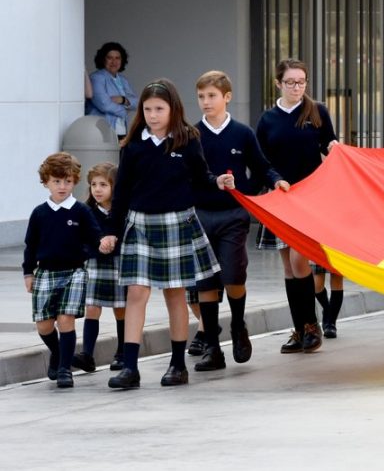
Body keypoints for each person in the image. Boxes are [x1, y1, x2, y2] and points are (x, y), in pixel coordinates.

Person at [101, 79, 235, 390]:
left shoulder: (187, 140)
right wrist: (111, 231)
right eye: (147, 109)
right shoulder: (133, 146)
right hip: (140, 225)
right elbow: (120, 194)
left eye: (159, 109)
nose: (152, 114)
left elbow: (202, 177)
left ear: (173, 108)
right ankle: (130, 368)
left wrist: (218, 182)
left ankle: (177, 365)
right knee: (136, 293)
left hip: (177, 222)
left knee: (175, 294)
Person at [193, 70, 289, 370]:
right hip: (200, 215)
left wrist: (276, 180)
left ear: (227, 97)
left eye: (211, 96)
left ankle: (237, 326)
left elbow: (261, 167)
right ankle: (212, 347)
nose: (206, 102)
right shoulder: (191, 135)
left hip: (234, 215)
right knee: (205, 282)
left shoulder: (242, 133)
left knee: (233, 277)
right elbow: (188, 175)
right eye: (201, 97)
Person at [256, 59, 338, 354]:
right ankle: (300, 328)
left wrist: (334, 147)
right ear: (278, 83)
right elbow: (260, 161)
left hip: (309, 197)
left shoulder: (317, 111)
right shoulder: (268, 120)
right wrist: (271, 182)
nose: (296, 87)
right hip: (280, 198)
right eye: (290, 82)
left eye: (301, 81)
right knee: (289, 268)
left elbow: (329, 143)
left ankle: (310, 325)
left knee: (300, 260)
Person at [23, 152, 110, 388]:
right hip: (45, 273)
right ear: (46, 182)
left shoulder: (81, 210)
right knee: (44, 323)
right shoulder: (39, 213)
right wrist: (28, 273)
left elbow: (94, 236)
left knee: (65, 319)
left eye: (68, 181)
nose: (62, 186)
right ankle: (60, 353)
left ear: (75, 181)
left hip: (74, 272)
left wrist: (102, 243)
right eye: (57, 181)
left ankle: (64, 370)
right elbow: (30, 245)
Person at [71, 162, 126, 374]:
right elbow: (82, 239)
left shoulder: (123, 211)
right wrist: (95, 246)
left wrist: (113, 243)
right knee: (92, 307)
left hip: (118, 262)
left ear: (115, 186)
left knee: (120, 308)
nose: (97, 189)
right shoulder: (87, 211)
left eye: (103, 184)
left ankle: (122, 352)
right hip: (95, 263)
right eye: (93, 184)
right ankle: (87, 354)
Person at [86, 42, 138, 138]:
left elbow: (137, 102)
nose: (114, 62)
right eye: (109, 58)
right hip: (101, 131)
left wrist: (123, 100)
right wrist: (124, 110)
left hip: (121, 129)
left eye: (117, 58)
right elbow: (104, 104)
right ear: (103, 60)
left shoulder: (122, 80)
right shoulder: (97, 78)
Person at [313, 264, 345, 339]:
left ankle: (331, 323)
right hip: (321, 252)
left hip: (339, 252)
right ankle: (327, 310)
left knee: (337, 280)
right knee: (316, 286)